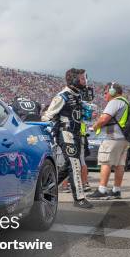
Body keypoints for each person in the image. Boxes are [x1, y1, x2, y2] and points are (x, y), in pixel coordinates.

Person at [42, 68, 93, 208]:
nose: (85, 81)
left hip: (76, 135)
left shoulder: (77, 95)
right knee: (75, 165)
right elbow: (47, 116)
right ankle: (79, 199)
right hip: (66, 134)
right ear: (75, 80)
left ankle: (43, 189)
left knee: (68, 166)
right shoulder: (62, 96)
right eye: (82, 78)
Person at [88, 82, 130, 199]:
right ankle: (116, 190)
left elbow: (104, 119)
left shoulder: (115, 102)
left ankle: (102, 190)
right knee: (119, 165)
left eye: (105, 92)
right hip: (124, 138)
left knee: (105, 162)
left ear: (112, 92)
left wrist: (95, 126)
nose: (104, 95)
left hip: (113, 137)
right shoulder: (126, 102)